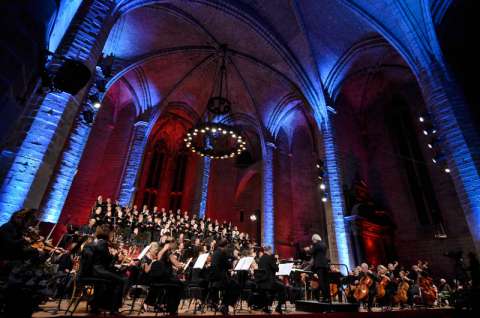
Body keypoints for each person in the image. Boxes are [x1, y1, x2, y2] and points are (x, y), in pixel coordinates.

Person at [90, 225, 127, 314]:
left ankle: (98, 305)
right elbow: (108, 263)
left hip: (96, 269)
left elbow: (104, 260)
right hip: (99, 271)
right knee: (120, 280)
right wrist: (115, 256)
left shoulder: (98, 242)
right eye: (111, 233)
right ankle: (113, 309)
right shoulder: (103, 244)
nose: (112, 235)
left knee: (115, 278)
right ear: (107, 233)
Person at [209, 239, 240, 315]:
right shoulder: (223, 253)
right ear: (225, 246)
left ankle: (223, 305)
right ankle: (225, 304)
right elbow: (228, 266)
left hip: (213, 279)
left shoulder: (215, 252)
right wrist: (232, 259)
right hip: (219, 279)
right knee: (236, 285)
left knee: (232, 283)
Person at [256, 245, 286, 313]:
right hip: (269, 282)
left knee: (274, 290)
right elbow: (276, 269)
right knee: (283, 287)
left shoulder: (261, 258)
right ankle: (279, 307)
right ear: (269, 250)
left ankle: (267, 307)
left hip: (261, 282)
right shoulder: (270, 258)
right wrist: (277, 263)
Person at [309, 234, 330, 302]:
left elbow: (311, 252)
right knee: (326, 282)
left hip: (319, 265)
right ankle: (328, 297)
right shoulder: (324, 244)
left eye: (313, 240)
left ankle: (325, 297)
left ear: (315, 239)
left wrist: (309, 248)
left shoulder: (316, 245)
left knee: (321, 282)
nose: (313, 242)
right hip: (325, 265)